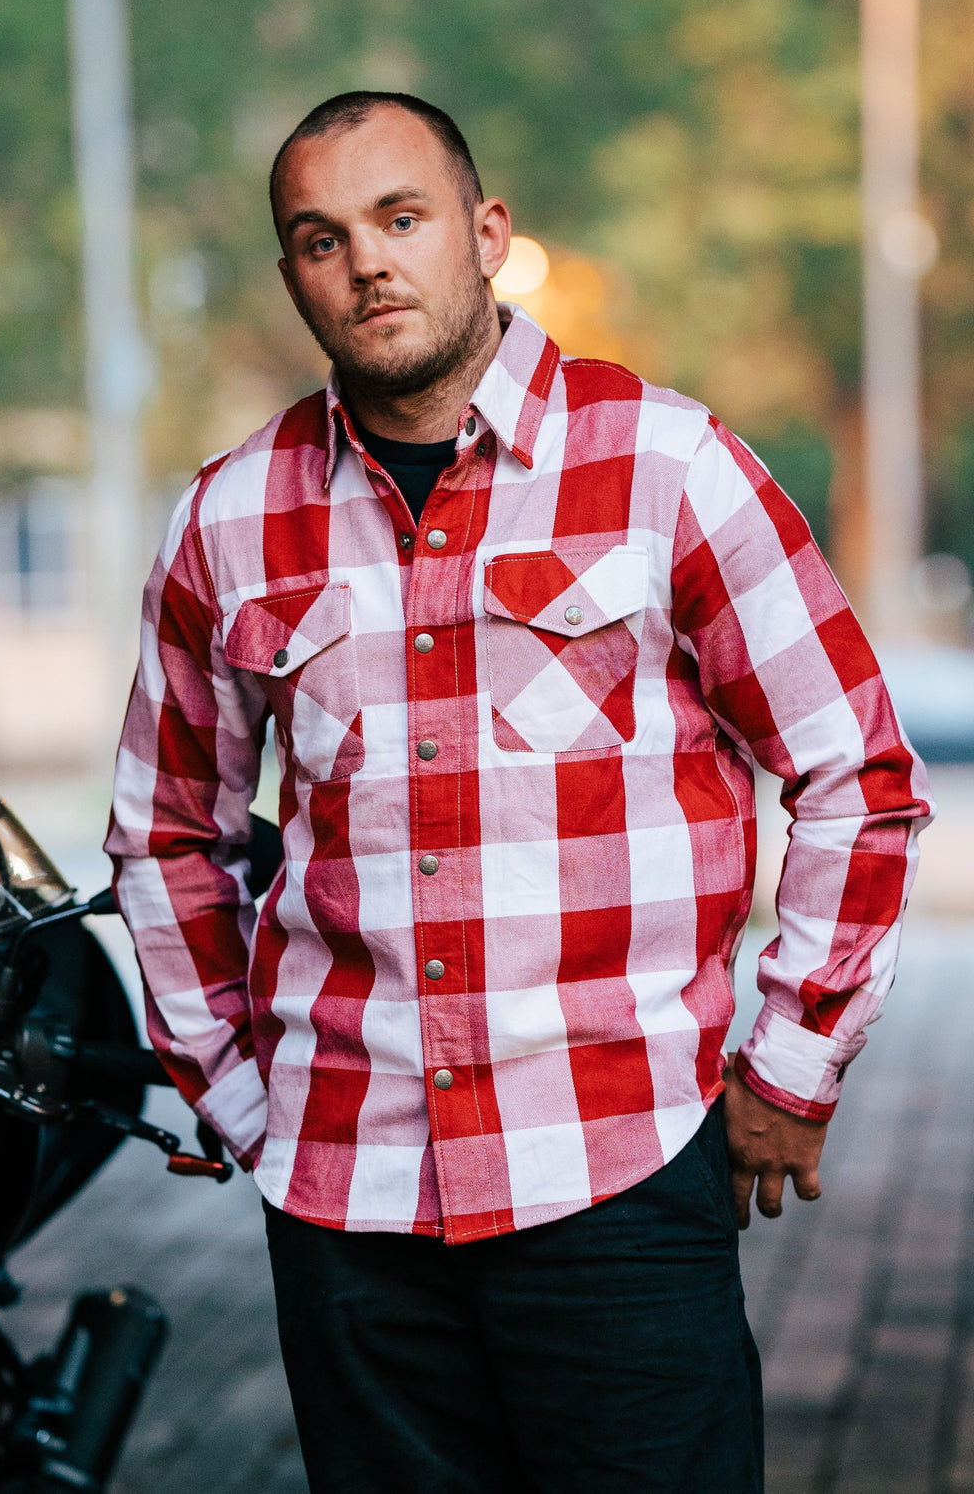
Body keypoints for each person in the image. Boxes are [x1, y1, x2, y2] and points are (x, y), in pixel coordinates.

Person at [105, 90, 933, 1492]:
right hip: (346, 1202)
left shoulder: (669, 468)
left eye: (401, 219)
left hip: (614, 1171)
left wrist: (797, 1062)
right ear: (293, 272)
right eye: (320, 238)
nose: (366, 262)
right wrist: (242, 1098)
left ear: (486, 234)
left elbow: (856, 770)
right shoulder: (229, 519)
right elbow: (167, 830)